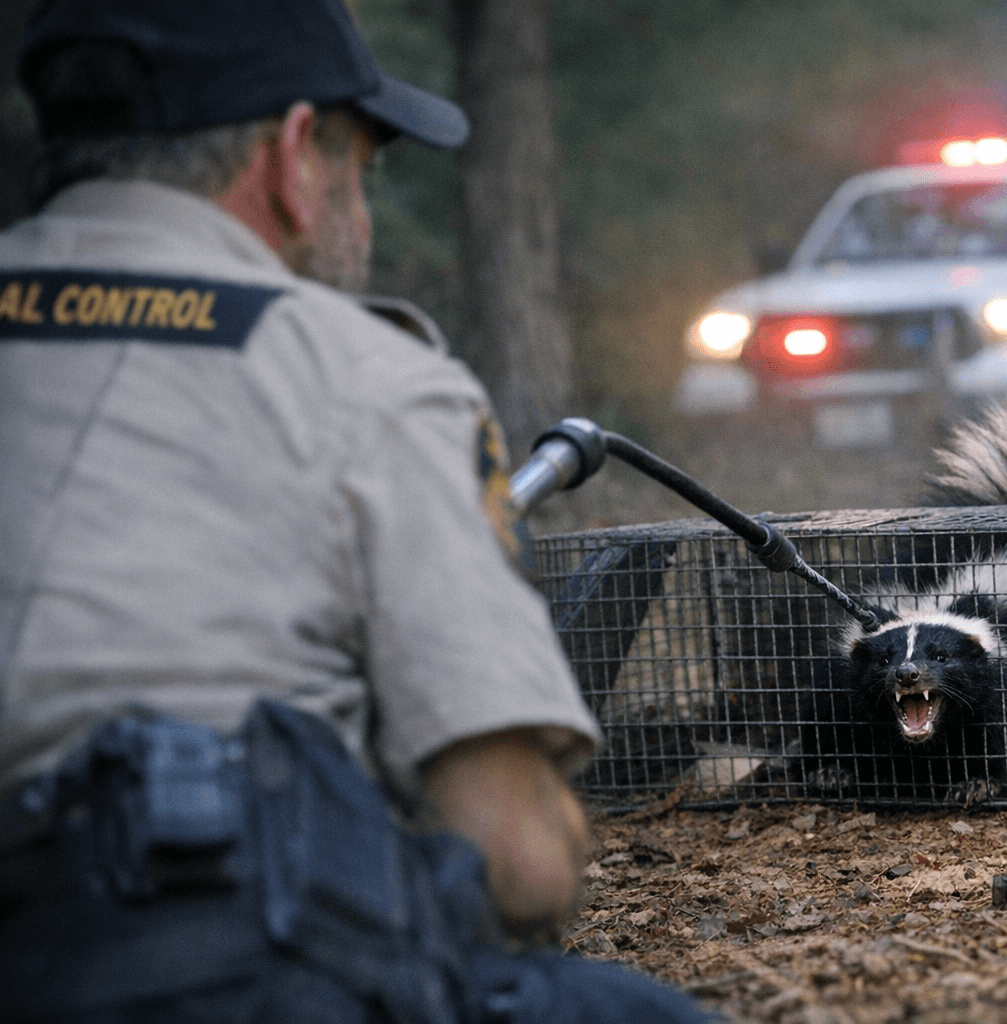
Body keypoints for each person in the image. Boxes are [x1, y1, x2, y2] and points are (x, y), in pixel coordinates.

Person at [0, 1, 710, 1021]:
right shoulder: (374, 380)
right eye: (363, 169)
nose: (362, 215)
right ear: (296, 156)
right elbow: (518, 863)